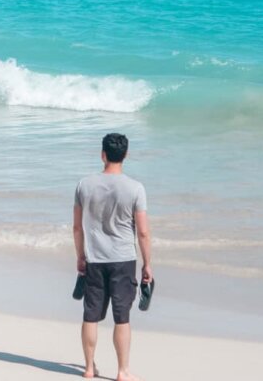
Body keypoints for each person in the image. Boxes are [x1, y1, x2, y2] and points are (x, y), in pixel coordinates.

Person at [73, 133, 151, 381]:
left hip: (94, 258)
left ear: (102, 154)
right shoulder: (135, 188)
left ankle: (88, 368)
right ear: (126, 155)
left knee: (90, 315)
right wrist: (147, 264)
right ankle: (122, 371)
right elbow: (143, 232)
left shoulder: (84, 185)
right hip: (123, 260)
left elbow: (76, 227)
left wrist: (80, 256)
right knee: (122, 317)